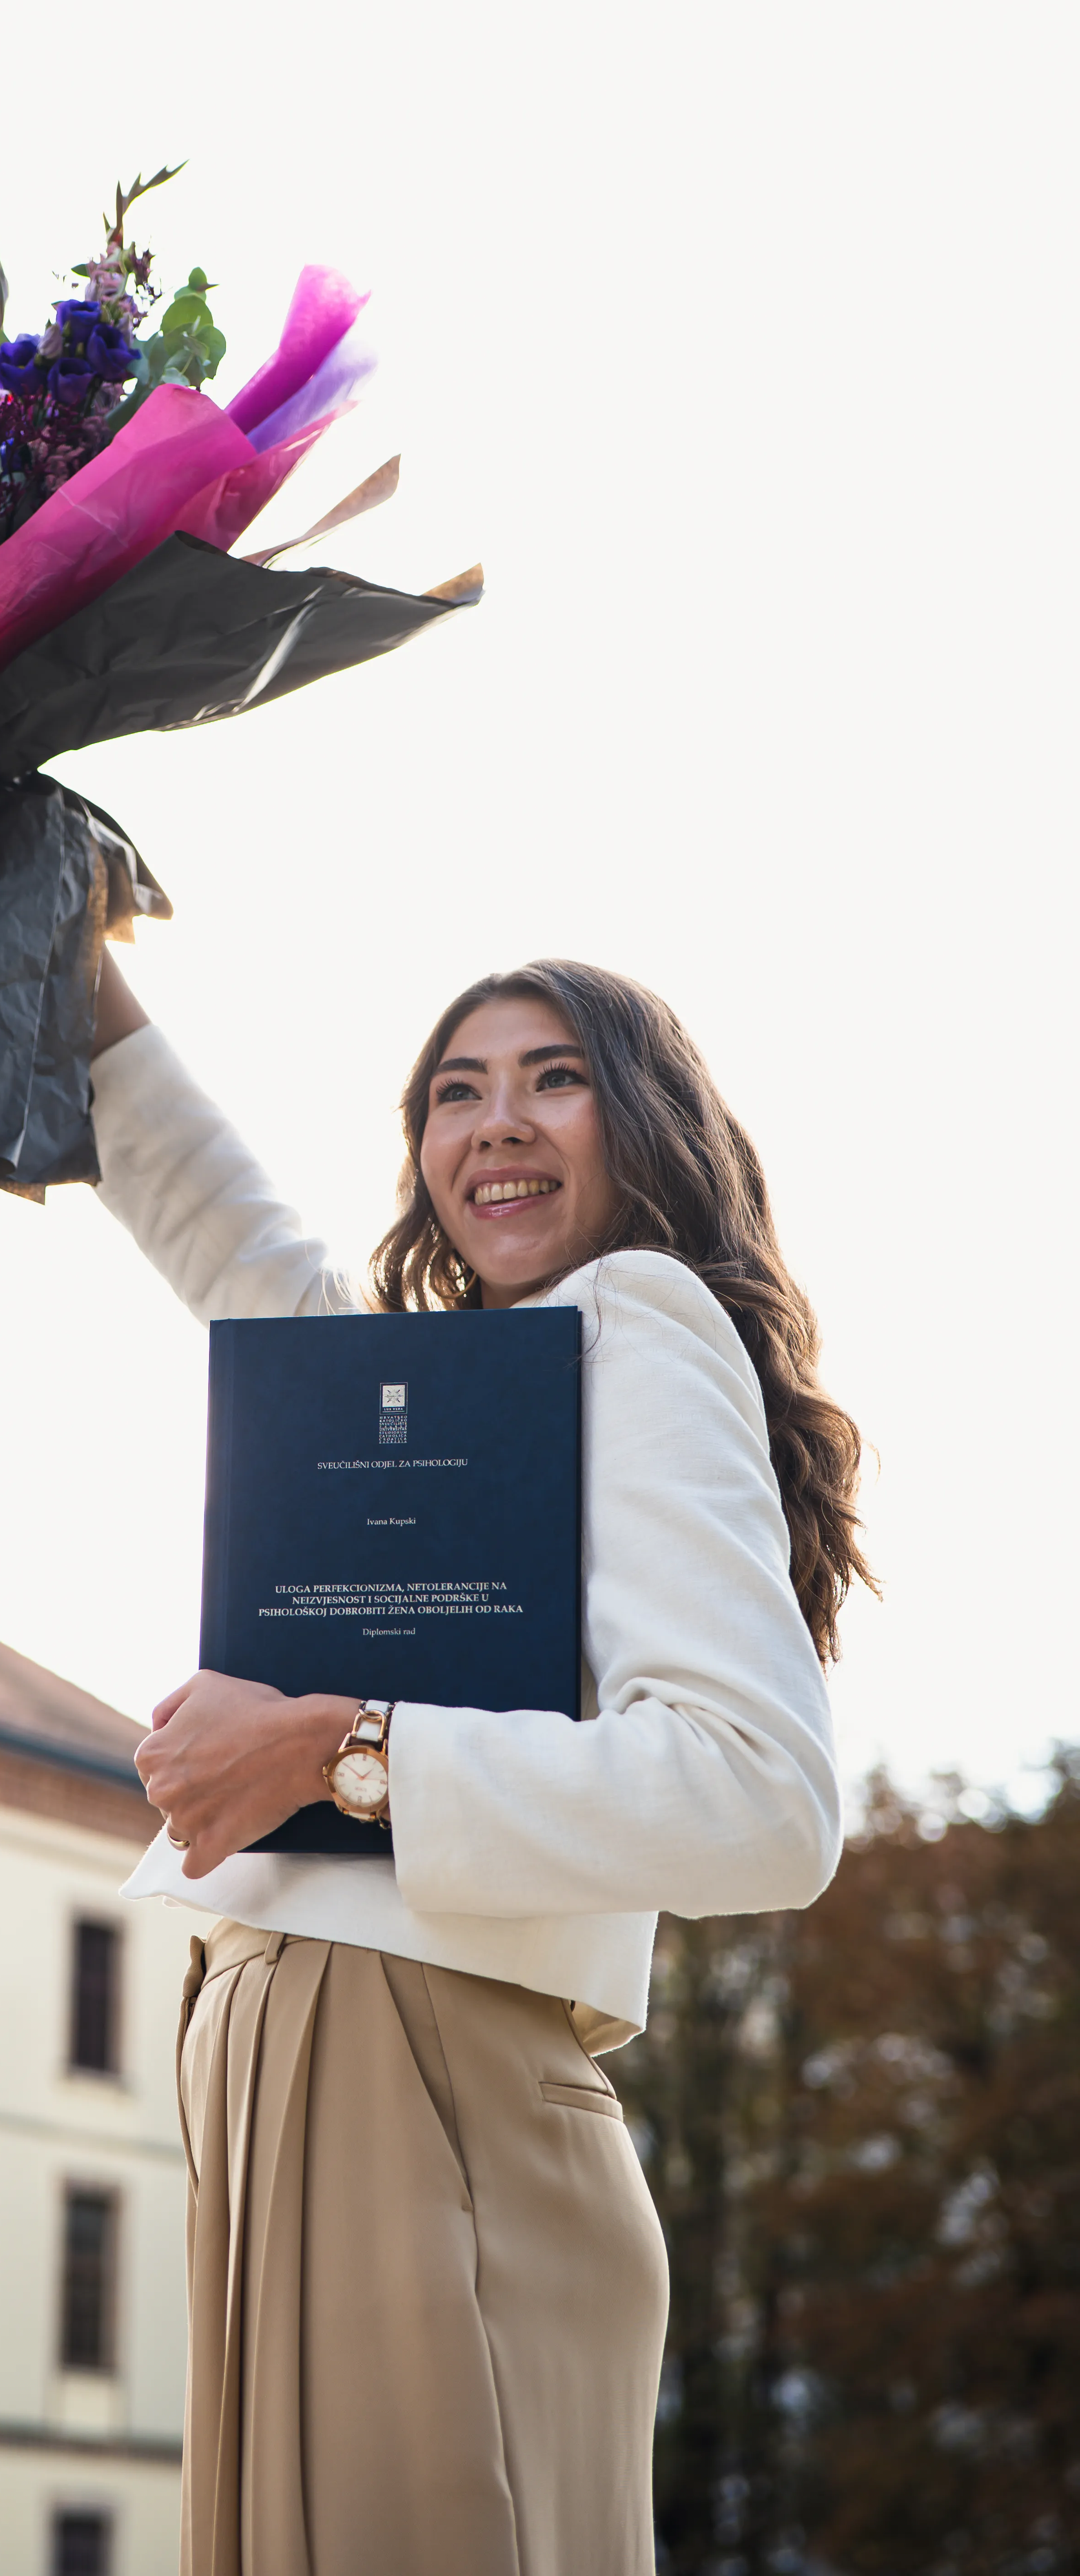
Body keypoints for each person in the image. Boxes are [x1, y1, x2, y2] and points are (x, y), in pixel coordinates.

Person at [87, 952, 870, 2576]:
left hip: (411, 2069)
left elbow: (763, 1800)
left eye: (552, 1076)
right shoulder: (481, 1390)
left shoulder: (636, 1321)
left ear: (645, 1120)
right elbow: (248, 1255)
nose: (497, 1122)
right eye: (458, 1089)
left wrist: (341, 1749)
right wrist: (65, 956)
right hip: (320, 2058)